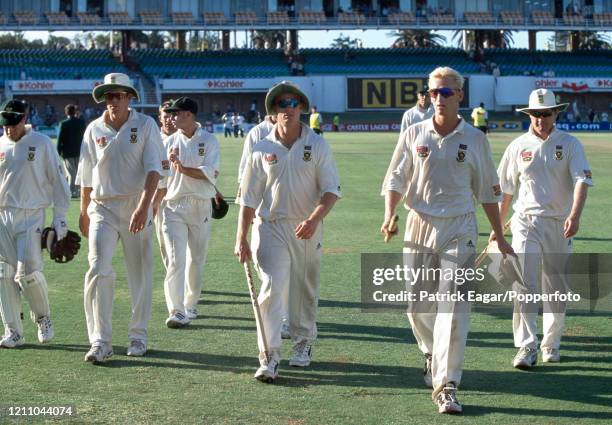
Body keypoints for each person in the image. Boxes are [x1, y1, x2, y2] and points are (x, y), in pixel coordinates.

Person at [381, 67, 513, 414]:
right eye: (434, 92)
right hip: (418, 224)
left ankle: (447, 384)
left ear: (460, 96)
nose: (438, 98)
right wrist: (390, 213)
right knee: (417, 305)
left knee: (454, 306)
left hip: (460, 227)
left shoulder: (476, 139)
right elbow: (395, 177)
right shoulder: (413, 133)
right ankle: (430, 352)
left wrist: (498, 235)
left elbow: (487, 191)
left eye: (446, 92)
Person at [235, 81, 341, 383]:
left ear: (301, 108)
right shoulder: (261, 146)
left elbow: (331, 191)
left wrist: (313, 219)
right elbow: (247, 198)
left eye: (294, 104)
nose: (289, 109)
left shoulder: (317, 144)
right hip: (270, 227)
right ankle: (268, 356)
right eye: (283, 104)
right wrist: (240, 237)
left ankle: (303, 341)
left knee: (304, 289)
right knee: (271, 286)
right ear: (274, 111)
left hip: (307, 226)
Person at [494, 89, 593, 369]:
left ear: (556, 113)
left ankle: (551, 343)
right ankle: (526, 346)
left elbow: (581, 181)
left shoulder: (570, 144)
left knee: (555, 288)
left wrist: (574, 215)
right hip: (525, 221)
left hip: (559, 224)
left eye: (545, 113)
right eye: (535, 114)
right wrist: (498, 228)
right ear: (529, 115)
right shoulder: (517, 146)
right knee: (524, 285)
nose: (540, 118)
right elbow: (506, 191)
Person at [76, 73, 166, 363]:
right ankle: (100, 341)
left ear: (129, 97)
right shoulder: (93, 129)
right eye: (108, 96)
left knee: (139, 273)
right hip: (101, 207)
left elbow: (155, 169)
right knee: (98, 269)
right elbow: (86, 175)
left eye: (118, 95)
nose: (113, 101)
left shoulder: (146, 124)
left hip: (135, 205)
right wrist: (83, 211)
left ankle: (138, 335)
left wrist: (144, 206)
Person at [0, 99, 70, 348]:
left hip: (32, 214)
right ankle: (13, 331)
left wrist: (59, 219)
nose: (9, 129)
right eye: (5, 123)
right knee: (3, 273)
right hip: (3, 216)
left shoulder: (41, 143)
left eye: (13, 123)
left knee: (27, 273)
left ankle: (42, 318)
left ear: (24, 118)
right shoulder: (0, 144)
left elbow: (59, 180)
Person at [153, 97, 220, 327]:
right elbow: (161, 180)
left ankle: (190, 304)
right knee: (175, 260)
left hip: (201, 205)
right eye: (170, 113)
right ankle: (176, 310)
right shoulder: (168, 142)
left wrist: (182, 168)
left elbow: (210, 172)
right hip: (174, 207)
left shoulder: (209, 141)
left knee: (196, 259)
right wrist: (150, 207)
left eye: (176, 113)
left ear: (189, 115)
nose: (171, 117)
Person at [236, 114, 293, 339]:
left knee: (287, 276)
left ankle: (287, 320)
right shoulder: (257, 133)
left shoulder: (301, 133)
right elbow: (245, 172)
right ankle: (274, 326)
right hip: (264, 215)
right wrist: (246, 210)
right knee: (271, 277)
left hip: (293, 218)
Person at [152, 100, 176, 270]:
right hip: (158, 199)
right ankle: (173, 276)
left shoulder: (184, 137)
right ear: (160, 118)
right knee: (163, 241)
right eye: (165, 116)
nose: (169, 119)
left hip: (181, 196)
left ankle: (183, 279)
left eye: (172, 115)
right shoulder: (153, 139)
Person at [57, 104, 87, 198]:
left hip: (67, 152)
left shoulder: (64, 123)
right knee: (78, 172)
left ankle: (70, 191)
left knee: (71, 173)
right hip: (79, 151)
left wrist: (57, 152)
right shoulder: (81, 122)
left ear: (66, 112)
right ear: (75, 112)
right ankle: (78, 191)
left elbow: (60, 139)